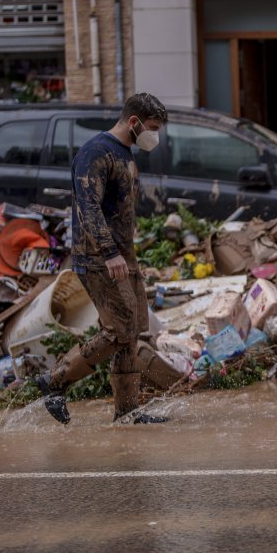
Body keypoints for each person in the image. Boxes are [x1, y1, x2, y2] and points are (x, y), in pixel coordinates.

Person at [36, 93, 170, 426]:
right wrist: (110, 253)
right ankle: (54, 382)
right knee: (119, 329)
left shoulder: (124, 153)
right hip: (98, 257)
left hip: (123, 257)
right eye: (153, 128)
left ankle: (127, 412)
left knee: (132, 330)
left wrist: (124, 253)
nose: (156, 136)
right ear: (134, 122)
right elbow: (88, 206)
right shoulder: (96, 152)